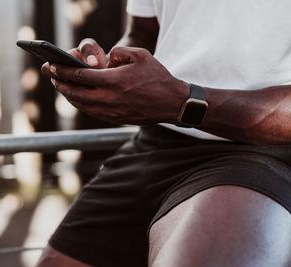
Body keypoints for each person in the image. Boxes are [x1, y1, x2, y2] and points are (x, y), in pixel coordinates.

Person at [37, 0, 291, 266]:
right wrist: (104, 68)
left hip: (260, 154)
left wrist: (181, 101)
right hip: (154, 142)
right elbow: (142, 34)